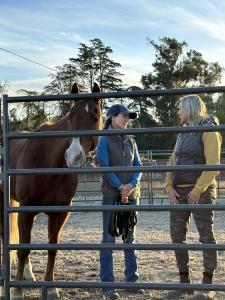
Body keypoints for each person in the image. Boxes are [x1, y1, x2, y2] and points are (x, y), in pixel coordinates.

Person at [165, 94, 222, 299]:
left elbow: (213, 164)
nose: (178, 112)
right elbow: (173, 161)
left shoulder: (208, 128)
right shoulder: (182, 132)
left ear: (189, 109)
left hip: (202, 192)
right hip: (178, 192)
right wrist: (169, 187)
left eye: (180, 108)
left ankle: (207, 286)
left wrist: (198, 190)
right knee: (177, 237)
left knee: (205, 236)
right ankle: (184, 283)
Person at [96, 104, 144, 300]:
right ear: (112, 117)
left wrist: (131, 185)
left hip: (130, 195)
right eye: (124, 116)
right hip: (112, 195)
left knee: (129, 237)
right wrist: (120, 187)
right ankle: (107, 285)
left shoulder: (130, 141)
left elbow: (139, 165)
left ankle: (131, 280)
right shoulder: (104, 140)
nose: (127, 120)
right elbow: (105, 167)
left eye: (128, 117)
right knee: (109, 238)